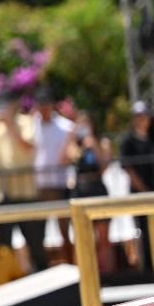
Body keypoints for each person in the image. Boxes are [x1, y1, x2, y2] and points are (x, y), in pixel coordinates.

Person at [0, 96, 47, 272]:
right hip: (3, 193)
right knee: (4, 244)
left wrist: (10, 125)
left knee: (35, 241)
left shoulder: (26, 122)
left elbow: (28, 146)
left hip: (27, 192)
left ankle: (43, 278)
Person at [121, 101, 154, 269]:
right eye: (138, 116)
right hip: (142, 197)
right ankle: (149, 270)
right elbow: (128, 168)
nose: (141, 120)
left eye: (144, 116)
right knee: (146, 234)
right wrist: (144, 191)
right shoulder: (128, 142)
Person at [63, 112, 114, 272]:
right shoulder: (74, 146)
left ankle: (107, 272)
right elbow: (63, 159)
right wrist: (71, 139)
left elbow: (104, 167)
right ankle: (84, 274)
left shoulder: (102, 143)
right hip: (80, 189)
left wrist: (93, 144)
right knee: (82, 238)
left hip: (97, 186)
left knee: (104, 237)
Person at [31, 88, 74, 263]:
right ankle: (42, 267)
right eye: (41, 104)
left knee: (64, 229)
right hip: (38, 185)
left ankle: (71, 265)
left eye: (46, 104)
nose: (44, 108)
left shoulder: (66, 126)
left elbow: (70, 153)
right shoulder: (31, 125)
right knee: (37, 231)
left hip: (60, 184)